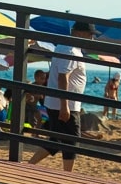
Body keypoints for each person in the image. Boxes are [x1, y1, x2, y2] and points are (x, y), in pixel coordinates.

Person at [26, 21, 94, 170]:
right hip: (64, 104)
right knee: (71, 140)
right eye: (90, 35)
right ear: (79, 33)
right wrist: (65, 106)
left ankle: (28, 166)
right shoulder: (70, 50)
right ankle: (67, 175)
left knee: (56, 140)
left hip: (59, 103)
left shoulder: (67, 47)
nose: (91, 38)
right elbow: (63, 77)